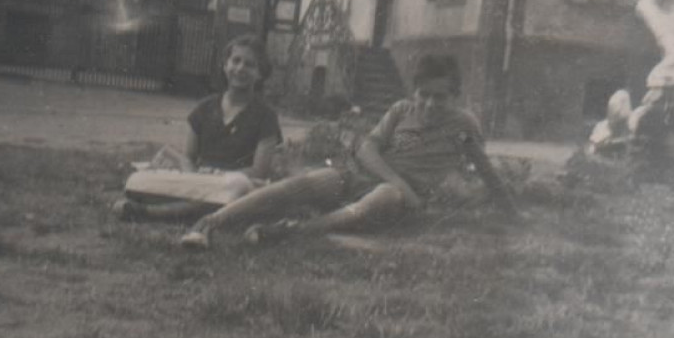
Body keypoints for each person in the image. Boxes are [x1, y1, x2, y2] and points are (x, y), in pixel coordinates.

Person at [178, 53, 517, 249]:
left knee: (381, 197)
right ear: (414, 92)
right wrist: (402, 184)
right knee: (310, 182)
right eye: (423, 94)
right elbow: (368, 149)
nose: (429, 104)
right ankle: (209, 223)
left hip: (395, 198)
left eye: (440, 97)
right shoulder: (401, 110)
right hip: (365, 178)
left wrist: (512, 213)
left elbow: (486, 171)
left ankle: (286, 232)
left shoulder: (464, 125)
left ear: (454, 95)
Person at [112, 34, 282, 221]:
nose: (240, 68)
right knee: (138, 180)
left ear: (260, 74)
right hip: (200, 180)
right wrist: (186, 167)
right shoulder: (204, 108)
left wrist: (220, 175)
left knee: (234, 188)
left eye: (249, 64)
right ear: (225, 66)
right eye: (236, 61)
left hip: (237, 184)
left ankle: (149, 213)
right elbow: (189, 159)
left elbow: (259, 171)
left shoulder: (266, 116)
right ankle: (187, 208)